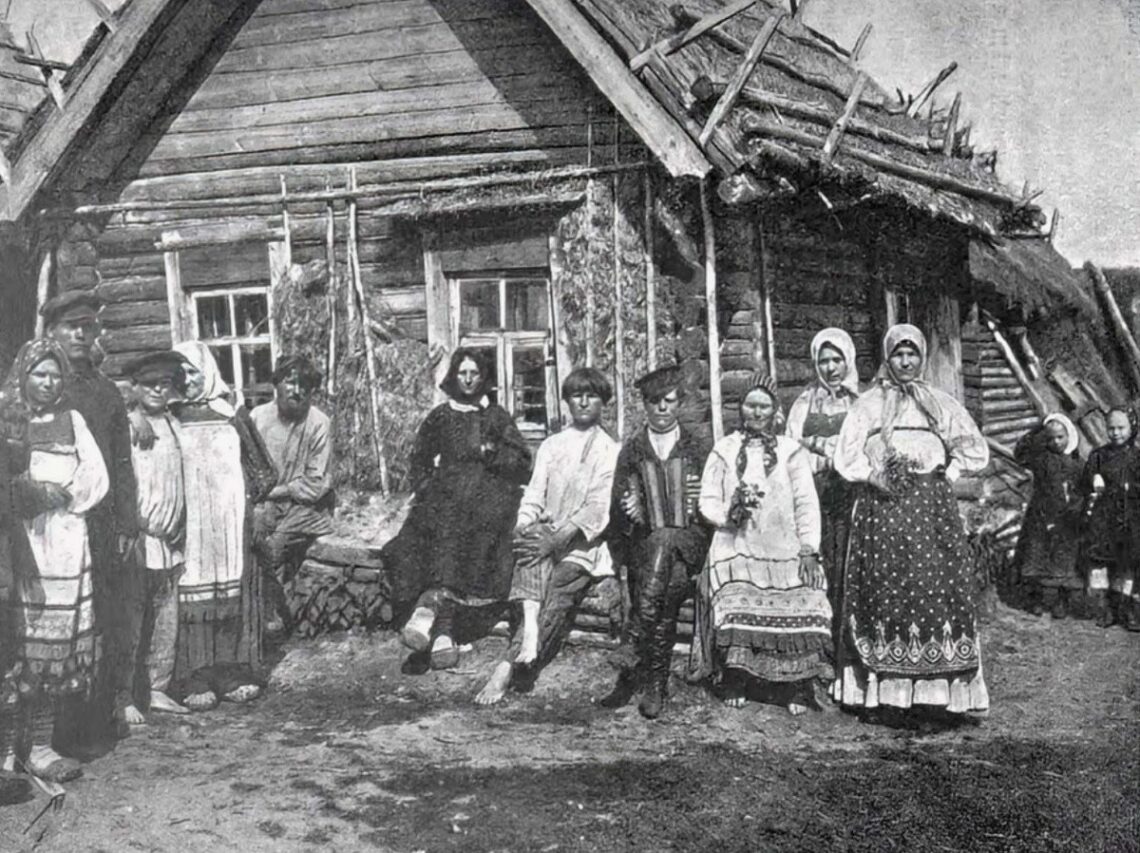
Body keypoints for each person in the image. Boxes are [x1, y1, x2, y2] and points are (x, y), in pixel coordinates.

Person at [833, 324, 990, 718]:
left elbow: (974, 448)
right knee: (885, 590)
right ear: (888, 358)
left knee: (934, 590)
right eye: (898, 354)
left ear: (921, 358)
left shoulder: (939, 402)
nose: (905, 362)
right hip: (882, 510)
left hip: (931, 512)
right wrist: (873, 475)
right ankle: (886, 693)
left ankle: (935, 694)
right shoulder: (868, 404)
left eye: (912, 354)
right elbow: (846, 456)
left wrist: (948, 474)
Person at [475, 367, 619, 706]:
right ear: (567, 400)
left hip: (582, 547)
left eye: (592, 396)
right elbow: (534, 493)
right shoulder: (552, 445)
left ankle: (507, 667)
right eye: (576, 395)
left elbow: (597, 508)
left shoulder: (610, 449)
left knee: (556, 589)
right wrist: (524, 525)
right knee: (529, 548)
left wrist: (556, 540)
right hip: (545, 537)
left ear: (603, 402)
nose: (583, 402)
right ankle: (529, 634)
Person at [0, 340, 109, 782]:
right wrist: (26, 494)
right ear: (23, 375)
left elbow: (95, 473)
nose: (48, 382)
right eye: (40, 374)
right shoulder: (6, 416)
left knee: (54, 648)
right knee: (15, 649)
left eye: (55, 374)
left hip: (63, 542)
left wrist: (63, 496)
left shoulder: (73, 420)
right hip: (17, 542)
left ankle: (42, 746)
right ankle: (8, 750)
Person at [384, 348, 531, 670]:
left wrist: (492, 453)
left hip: (487, 497)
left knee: (470, 535)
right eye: (462, 372)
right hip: (445, 493)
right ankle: (441, 633)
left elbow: (522, 462)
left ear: (483, 377)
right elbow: (419, 458)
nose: (467, 379)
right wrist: (426, 488)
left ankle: (433, 618)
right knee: (423, 537)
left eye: (474, 373)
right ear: (454, 375)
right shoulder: (441, 415)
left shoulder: (496, 416)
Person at [693, 374, 829, 715]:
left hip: (784, 545)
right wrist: (728, 514)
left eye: (764, 406)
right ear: (740, 408)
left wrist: (808, 548)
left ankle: (795, 684)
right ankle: (737, 678)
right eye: (750, 405)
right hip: (736, 542)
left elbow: (806, 502)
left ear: (775, 410)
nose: (756, 412)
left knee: (804, 596)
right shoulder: (724, 449)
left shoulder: (791, 451)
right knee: (735, 595)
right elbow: (707, 498)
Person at [43, 291, 141, 740]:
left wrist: (127, 521)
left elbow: (121, 461)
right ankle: (50, 726)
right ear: (52, 332)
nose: (82, 335)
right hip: (49, 523)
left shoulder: (105, 391)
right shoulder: (40, 385)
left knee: (100, 614)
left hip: (98, 522)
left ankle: (96, 715)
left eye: (89, 327)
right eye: (72, 327)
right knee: (55, 616)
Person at [600, 364, 710, 719]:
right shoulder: (632, 450)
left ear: (679, 403)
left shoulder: (697, 447)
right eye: (654, 401)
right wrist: (628, 509)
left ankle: (634, 643)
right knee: (668, 591)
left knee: (666, 542)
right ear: (645, 405)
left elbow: (712, 503)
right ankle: (656, 685)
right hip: (646, 547)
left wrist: (696, 504)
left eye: (669, 401)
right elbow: (616, 509)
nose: (662, 408)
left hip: (689, 541)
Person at [172, 342, 276, 710]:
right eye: (180, 373)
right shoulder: (170, 416)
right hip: (190, 525)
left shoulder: (231, 412)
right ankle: (195, 675)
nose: (186, 380)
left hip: (230, 523)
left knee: (232, 596)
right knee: (191, 596)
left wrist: (250, 506)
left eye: (193, 372)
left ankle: (231, 672)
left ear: (209, 372)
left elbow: (263, 469)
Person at [785, 328, 861, 651]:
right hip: (814, 493)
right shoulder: (804, 403)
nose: (830, 368)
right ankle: (818, 645)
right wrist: (821, 455)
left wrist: (828, 451)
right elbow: (792, 449)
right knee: (820, 561)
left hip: (851, 494)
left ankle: (849, 646)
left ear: (848, 361)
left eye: (837, 360)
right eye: (824, 361)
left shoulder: (860, 402)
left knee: (848, 564)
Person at [250, 355, 334, 637]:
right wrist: (261, 500)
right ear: (276, 384)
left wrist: (273, 492)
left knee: (273, 548)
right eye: (290, 382)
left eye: (305, 386)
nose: (297, 391)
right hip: (266, 503)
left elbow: (314, 485)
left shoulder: (318, 423)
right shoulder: (258, 418)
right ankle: (256, 619)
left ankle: (275, 621)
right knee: (251, 541)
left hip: (309, 509)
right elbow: (247, 468)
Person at [125, 352, 190, 717]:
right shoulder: (127, 426)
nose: (157, 390)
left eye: (164, 383)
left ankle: (157, 688)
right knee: (133, 618)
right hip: (140, 536)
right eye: (149, 383)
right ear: (134, 387)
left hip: (170, 540)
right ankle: (124, 696)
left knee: (166, 616)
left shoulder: (173, 424)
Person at [1012, 414, 1084, 619]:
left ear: (1069, 436)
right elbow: (1020, 453)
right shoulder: (1041, 458)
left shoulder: (1077, 462)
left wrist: (1076, 507)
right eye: (1050, 438)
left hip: (1066, 518)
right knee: (1036, 556)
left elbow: (1083, 488)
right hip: (1040, 515)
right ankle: (1036, 599)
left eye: (1060, 437)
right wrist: (1037, 429)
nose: (1056, 442)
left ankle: (1060, 601)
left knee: (1063, 559)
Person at [1080, 408, 1140, 630]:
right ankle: (1105, 608)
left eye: (1121, 428)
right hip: (1104, 517)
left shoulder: (1137, 456)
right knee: (1102, 560)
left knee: (1129, 563)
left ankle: (1127, 609)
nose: (1116, 433)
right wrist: (1094, 478)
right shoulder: (1098, 456)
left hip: (1131, 516)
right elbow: (1085, 482)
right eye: (1111, 428)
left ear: (1132, 428)